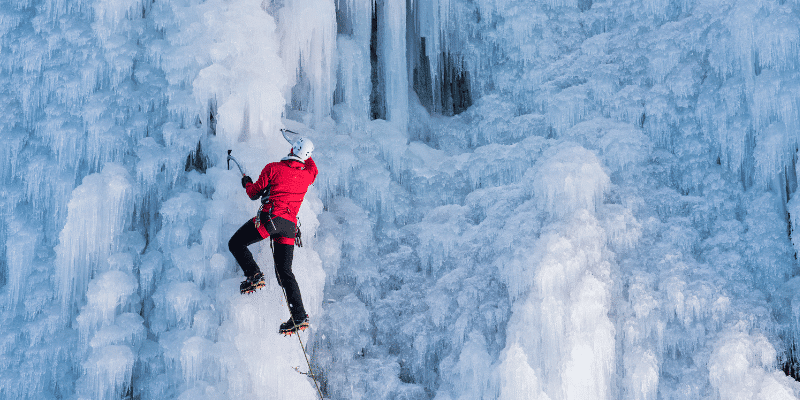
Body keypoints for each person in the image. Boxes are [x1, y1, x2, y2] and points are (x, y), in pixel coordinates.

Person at [228, 137, 317, 335]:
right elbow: (312, 167)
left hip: (271, 220)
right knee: (284, 272)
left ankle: (254, 275)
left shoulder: (274, 168)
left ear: (293, 148)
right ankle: (299, 315)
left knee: (236, 243)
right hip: (289, 227)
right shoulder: (308, 175)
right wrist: (308, 154)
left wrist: (246, 182)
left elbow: (253, 193)